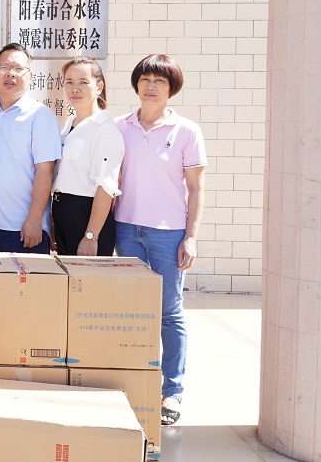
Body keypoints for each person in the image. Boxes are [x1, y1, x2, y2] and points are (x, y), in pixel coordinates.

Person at [114, 54, 206, 427]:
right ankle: (136, 383)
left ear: (172, 88)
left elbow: (196, 189)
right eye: (145, 79)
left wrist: (191, 237)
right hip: (126, 229)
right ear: (136, 84)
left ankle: (172, 391)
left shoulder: (186, 131)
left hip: (168, 234)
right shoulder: (120, 126)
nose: (151, 87)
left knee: (169, 312)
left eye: (160, 81)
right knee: (134, 312)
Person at [0, 43, 62, 254]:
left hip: (22, 228)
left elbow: (45, 171)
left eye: (18, 69)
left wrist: (35, 219)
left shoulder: (40, 116)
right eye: (4, 67)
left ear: (30, 76)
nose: (11, 74)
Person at [51, 57, 124, 256]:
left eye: (83, 82)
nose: (75, 89)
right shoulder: (70, 124)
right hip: (63, 211)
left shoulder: (105, 130)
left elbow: (106, 187)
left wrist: (91, 236)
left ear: (99, 87)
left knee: (87, 275)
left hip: (86, 215)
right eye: (69, 82)